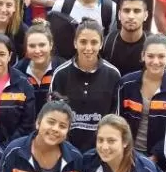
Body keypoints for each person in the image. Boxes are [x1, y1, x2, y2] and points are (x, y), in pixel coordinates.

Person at [116, 34, 166, 171]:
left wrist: (156, 156)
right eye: (150, 56)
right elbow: (118, 121)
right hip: (126, 155)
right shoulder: (126, 84)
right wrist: (125, 151)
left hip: (161, 161)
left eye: (161, 56)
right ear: (143, 56)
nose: (155, 61)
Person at [49, 19, 122, 152]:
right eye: (83, 42)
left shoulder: (113, 75)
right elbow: (52, 114)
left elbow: (115, 118)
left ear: (101, 44)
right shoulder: (60, 74)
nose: (88, 48)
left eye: (94, 42)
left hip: (100, 151)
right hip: (66, 150)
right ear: (75, 43)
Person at [14, 23, 62, 114]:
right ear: (26, 48)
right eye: (32, 46)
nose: (37, 50)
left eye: (42, 45)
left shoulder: (62, 69)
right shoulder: (18, 72)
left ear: (51, 45)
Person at [102, 0, 150, 76]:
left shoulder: (152, 46)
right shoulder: (107, 44)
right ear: (119, 15)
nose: (131, 16)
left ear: (145, 15)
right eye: (126, 11)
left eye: (137, 11)